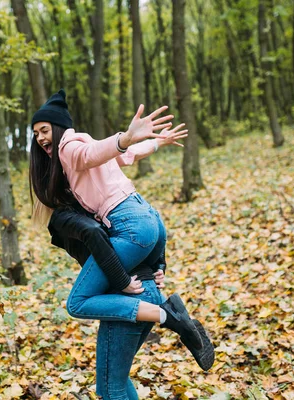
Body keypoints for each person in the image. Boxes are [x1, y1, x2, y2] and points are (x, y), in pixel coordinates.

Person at [29, 89, 214, 370]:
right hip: (149, 217)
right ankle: (167, 310)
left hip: (129, 223)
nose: (41, 138)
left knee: (77, 302)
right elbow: (127, 156)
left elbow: (93, 152)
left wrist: (124, 138)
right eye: (36, 134)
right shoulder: (78, 153)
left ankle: (169, 316)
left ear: (59, 127)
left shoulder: (69, 147)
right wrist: (157, 143)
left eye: (44, 130)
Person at [49, 206, 214, 399]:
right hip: (150, 294)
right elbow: (153, 218)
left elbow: (93, 232)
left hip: (129, 297)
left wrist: (123, 281)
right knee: (116, 380)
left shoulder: (63, 212)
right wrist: (158, 264)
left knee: (109, 388)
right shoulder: (106, 205)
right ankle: (168, 314)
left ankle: (168, 316)